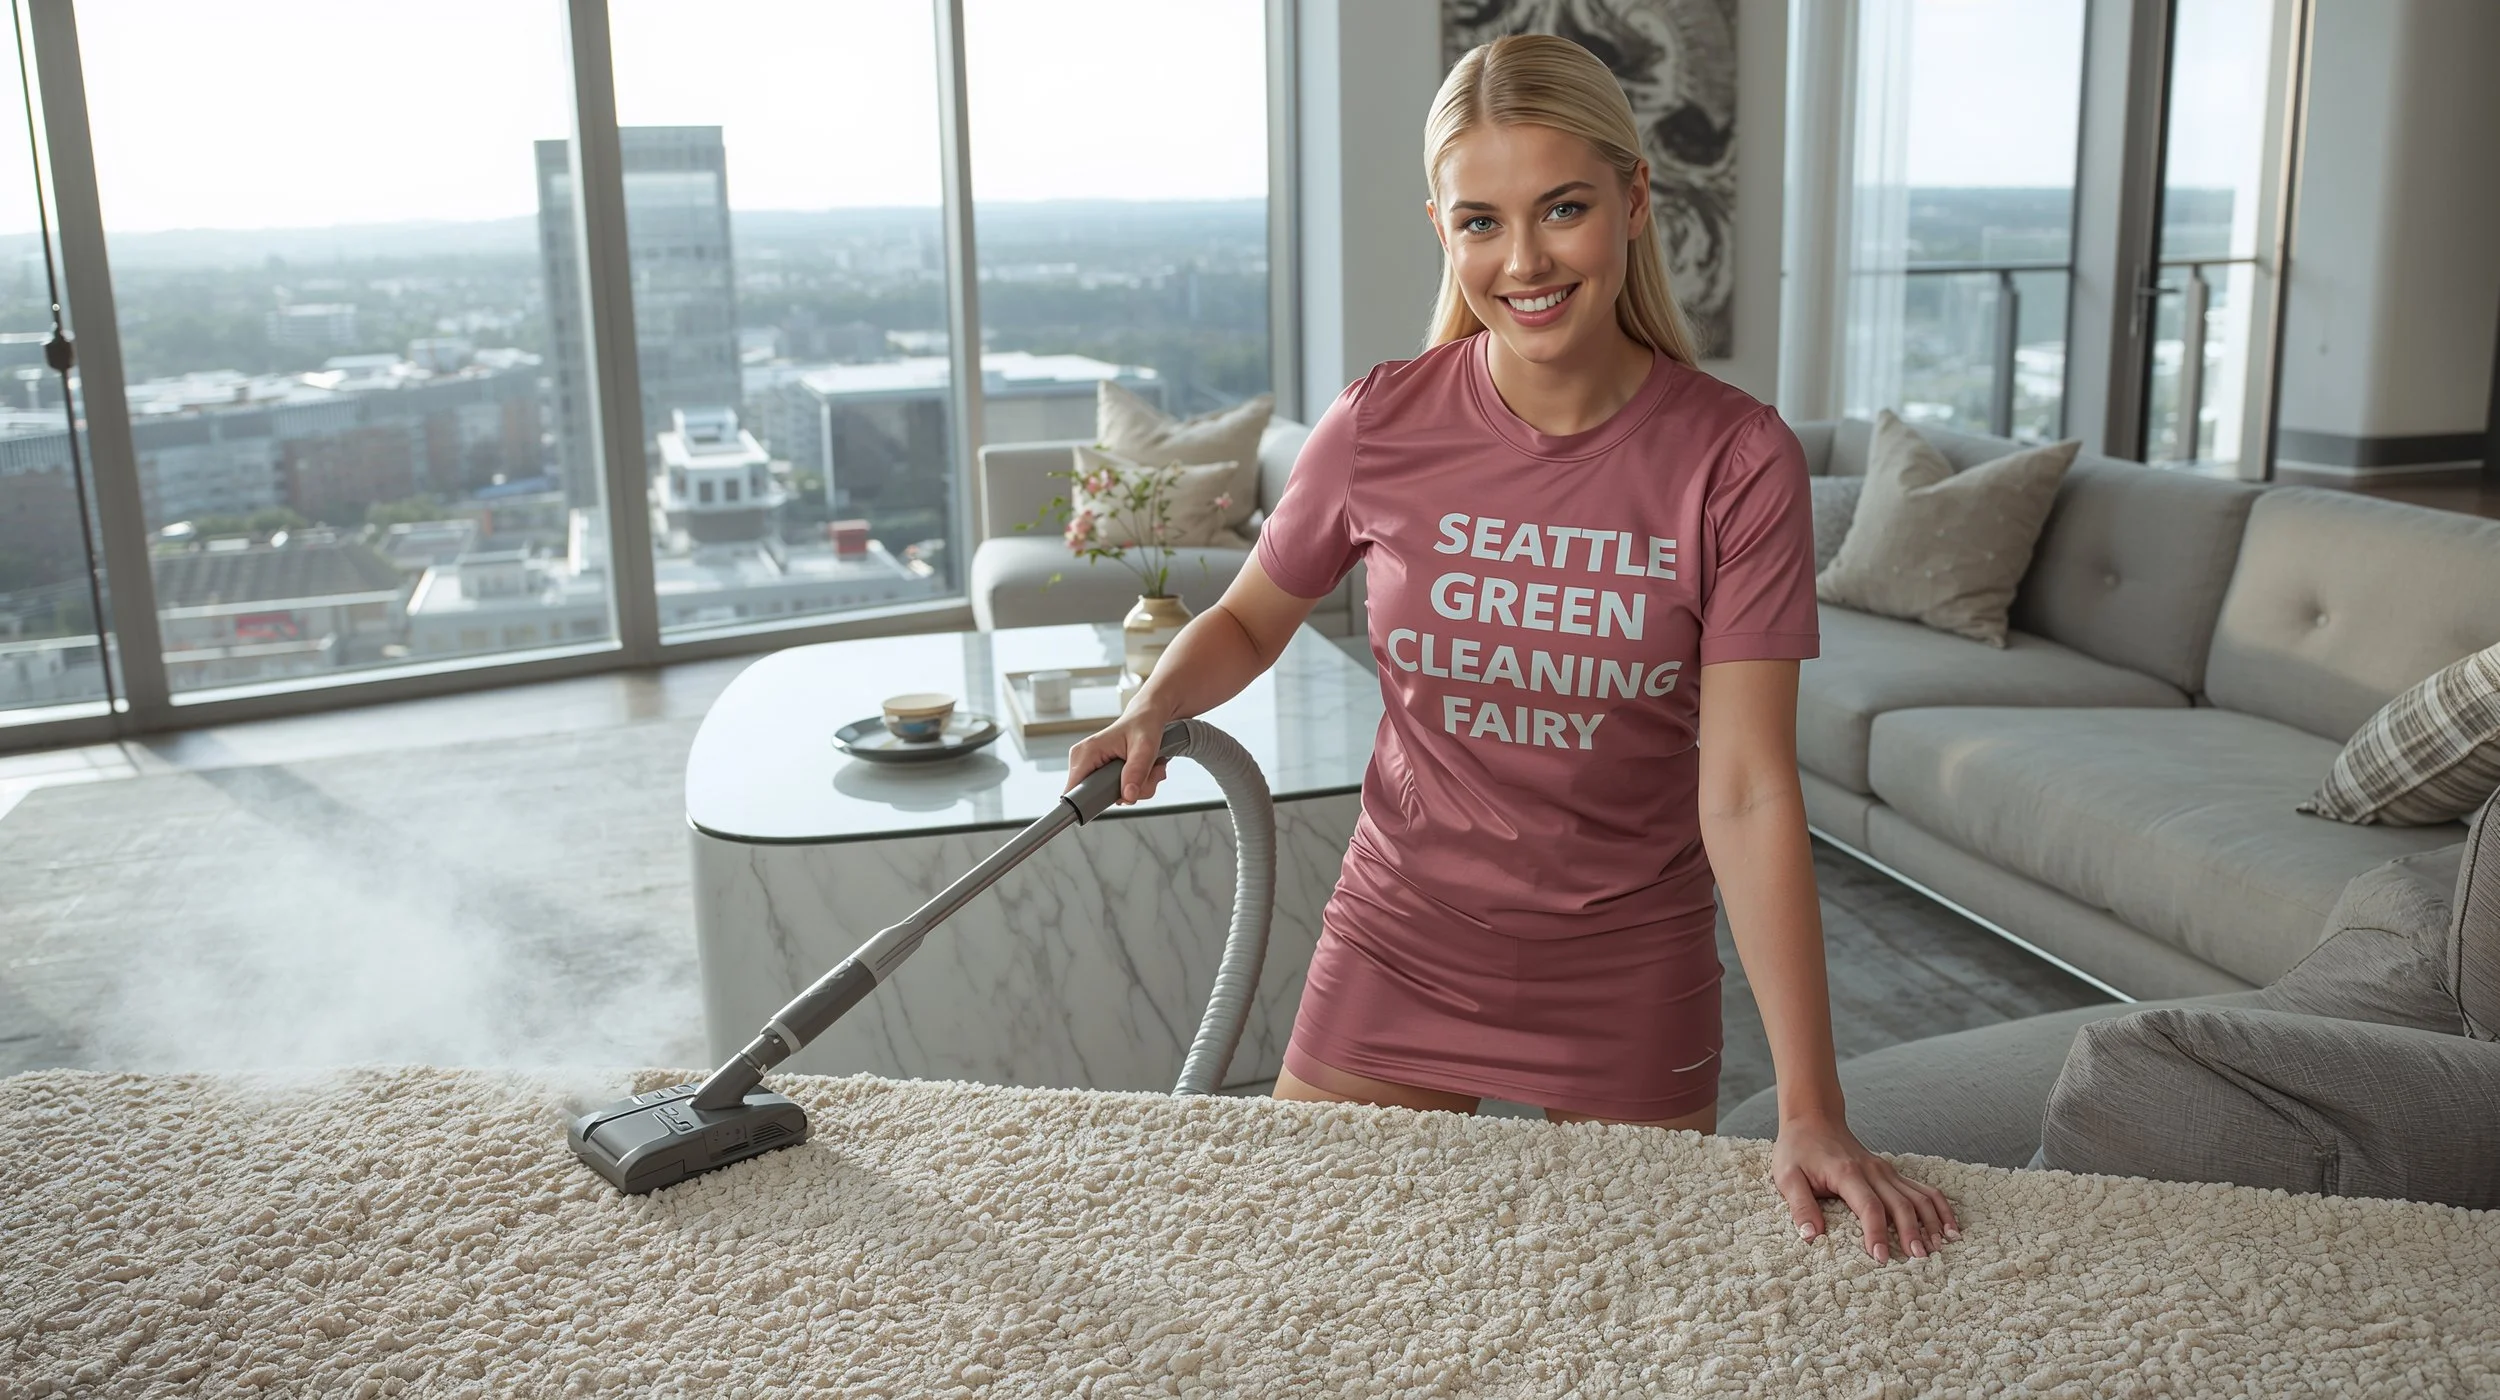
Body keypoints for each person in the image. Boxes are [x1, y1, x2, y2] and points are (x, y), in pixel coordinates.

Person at [1066, 33, 1956, 1262]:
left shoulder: (1736, 460)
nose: (1524, 260)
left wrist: (1812, 1105)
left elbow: (1746, 786)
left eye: (1565, 209)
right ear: (1442, 228)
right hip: (1400, 940)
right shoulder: (1381, 420)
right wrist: (1152, 703)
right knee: (1312, 1270)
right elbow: (1249, 615)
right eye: (1481, 221)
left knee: (1620, 1306)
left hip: (1625, 970)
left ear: (1635, 201)